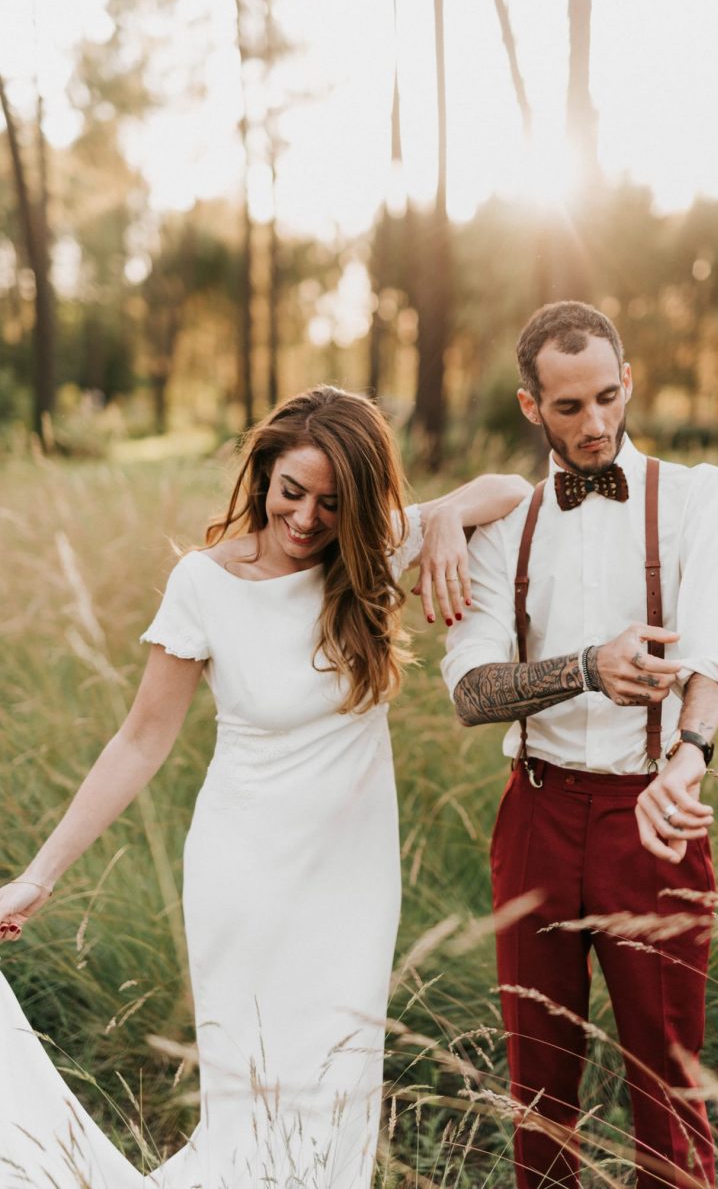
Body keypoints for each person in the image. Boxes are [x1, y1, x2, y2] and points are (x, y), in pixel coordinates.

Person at [0, 385, 530, 1189]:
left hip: (353, 882)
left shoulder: (370, 548)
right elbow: (141, 740)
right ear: (262, 474)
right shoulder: (203, 585)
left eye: (330, 501)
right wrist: (38, 877)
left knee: (340, 1094)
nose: (308, 518)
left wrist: (446, 516)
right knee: (257, 1108)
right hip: (245, 877)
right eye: (292, 492)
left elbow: (515, 491)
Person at [442, 302, 718, 1189]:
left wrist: (690, 755)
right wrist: (584, 668)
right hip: (534, 813)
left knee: (668, 1090)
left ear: (629, 384)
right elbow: (471, 693)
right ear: (529, 406)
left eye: (608, 398)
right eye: (569, 407)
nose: (597, 424)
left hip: (652, 814)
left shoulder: (700, 497)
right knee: (536, 1095)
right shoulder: (505, 526)